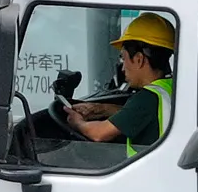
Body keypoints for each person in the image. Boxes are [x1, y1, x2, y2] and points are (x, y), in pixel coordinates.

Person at [68, 13, 176, 156]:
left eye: (124, 59)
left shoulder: (147, 97)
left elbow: (99, 134)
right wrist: (100, 109)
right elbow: (140, 115)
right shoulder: (171, 87)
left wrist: (77, 123)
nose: (123, 68)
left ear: (139, 59)